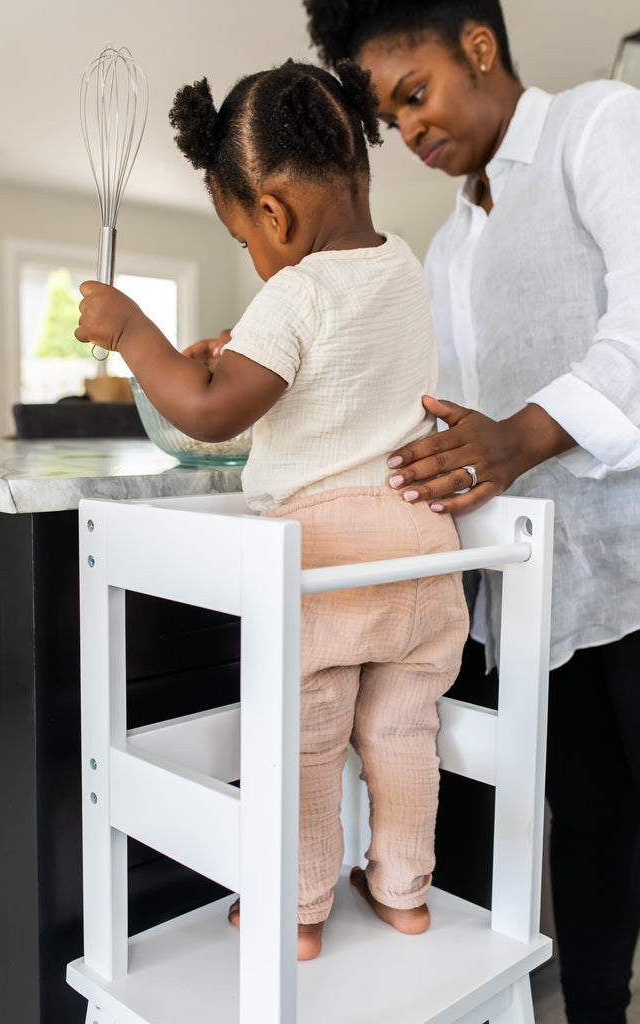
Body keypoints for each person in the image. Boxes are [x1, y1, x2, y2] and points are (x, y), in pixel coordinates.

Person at [75, 58, 468, 961]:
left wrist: (134, 331)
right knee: (405, 731)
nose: (252, 259)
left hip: (325, 562)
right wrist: (230, 353)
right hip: (419, 552)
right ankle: (406, 891)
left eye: (241, 237)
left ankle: (294, 910)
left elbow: (211, 410)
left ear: (275, 216)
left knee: (305, 737)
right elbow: (340, 383)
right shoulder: (400, 265)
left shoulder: (293, 291)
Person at [302, 0, 640, 1020]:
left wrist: (520, 437)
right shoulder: (445, 249)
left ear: (478, 46)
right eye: (390, 115)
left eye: (415, 93)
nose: (409, 129)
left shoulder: (597, 125)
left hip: (632, 566)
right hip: (544, 597)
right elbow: (428, 409)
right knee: (585, 827)